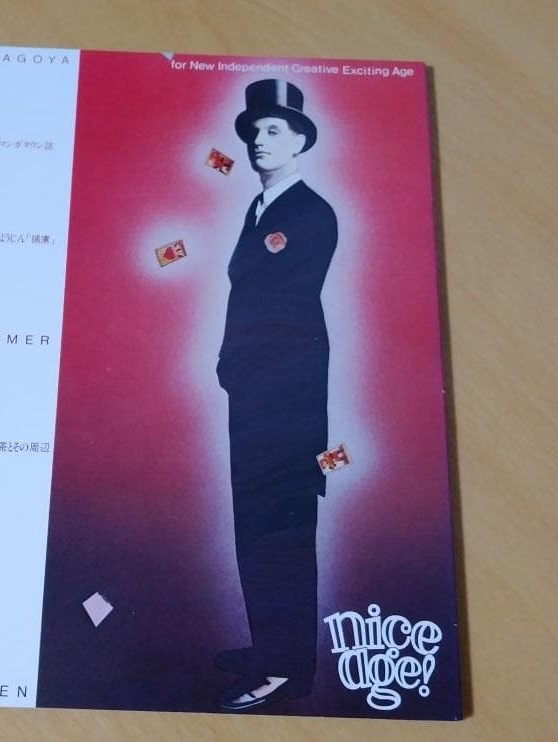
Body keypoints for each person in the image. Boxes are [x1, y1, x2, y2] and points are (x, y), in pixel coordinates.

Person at [215, 79, 338, 712]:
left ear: (300, 142)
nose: (259, 141)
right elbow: (248, 296)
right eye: (254, 132)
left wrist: (243, 369)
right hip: (254, 394)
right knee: (254, 522)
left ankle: (286, 669)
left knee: (282, 528)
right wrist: (230, 368)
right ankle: (269, 649)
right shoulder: (260, 208)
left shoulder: (310, 214)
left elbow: (281, 309)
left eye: (273, 131)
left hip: (286, 397)